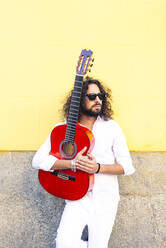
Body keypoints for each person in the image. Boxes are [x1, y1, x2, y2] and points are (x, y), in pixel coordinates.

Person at [32, 77, 135, 248]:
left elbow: (127, 166)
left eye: (101, 96)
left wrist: (97, 168)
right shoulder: (62, 129)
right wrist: (71, 163)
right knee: (63, 244)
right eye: (92, 96)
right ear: (79, 100)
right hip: (76, 198)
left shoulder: (112, 127)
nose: (98, 100)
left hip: (105, 199)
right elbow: (38, 161)